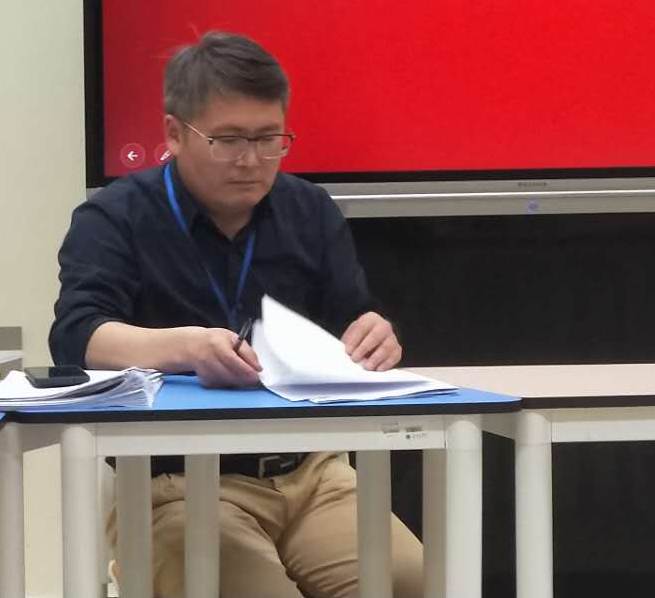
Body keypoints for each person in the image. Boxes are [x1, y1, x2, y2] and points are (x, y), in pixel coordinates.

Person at [51, 31, 422, 598]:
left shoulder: (309, 209)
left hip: (312, 474)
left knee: (417, 581)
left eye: (269, 138)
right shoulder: (115, 216)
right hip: (174, 484)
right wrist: (187, 348)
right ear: (174, 133)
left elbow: (351, 320)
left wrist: (374, 335)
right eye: (227, 140)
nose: (251, 160)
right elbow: (78, 336)